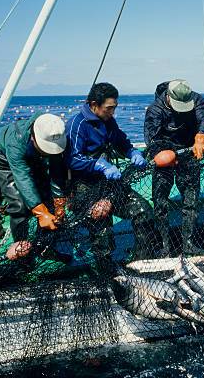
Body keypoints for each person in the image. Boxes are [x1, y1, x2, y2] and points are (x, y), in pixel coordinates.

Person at [65, 83, 153, 269]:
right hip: (84, 186)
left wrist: (132, 152)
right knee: (101, 224)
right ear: (94, 105)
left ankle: (140, 261)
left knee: (143, 212)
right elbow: (71, 158)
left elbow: (121, 141)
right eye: (109, 108)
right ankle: (106, 268)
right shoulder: (77, 124)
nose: (112, 112)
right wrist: (98, 164)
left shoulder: (108, 121)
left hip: (111, 184)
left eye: (114, 108)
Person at [144, 79, 204, 255]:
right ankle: (164, 245)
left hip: (189, 151)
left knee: (191, 200)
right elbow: (152, 137)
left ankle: (188, 243)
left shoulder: (197, 99)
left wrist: (201, 137)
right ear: (168, 96)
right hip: (164, 155)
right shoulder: (155, 109)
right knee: (160, 202)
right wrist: (165, 155)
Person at [0, 112, 67, 243]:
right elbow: (23, 177)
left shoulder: (53, 132)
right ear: (34, 138)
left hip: (35, 158)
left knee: (47, 198)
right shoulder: (16, 141)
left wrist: (59, 200)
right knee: (19, 205)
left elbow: (56, 171)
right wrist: (41, 212)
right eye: (46, 149)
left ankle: (44, 245)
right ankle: (21, 248)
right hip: (6, 160)